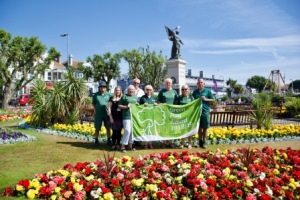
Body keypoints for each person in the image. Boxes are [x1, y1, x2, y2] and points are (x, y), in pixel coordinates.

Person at [192, 78, 215, 149]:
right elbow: (192, 101)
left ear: (204, 84)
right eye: (199, 82)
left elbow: (213, 99)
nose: (200, 83)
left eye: (201, 82)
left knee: (205, 128)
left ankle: (204, 142)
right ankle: (200, 141)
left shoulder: (208, 91)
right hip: (197, 112)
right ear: (197, 84)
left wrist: (206, 99)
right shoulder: (195, 92)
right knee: (199, 127)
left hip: (205, 111)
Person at [157, 78, 178, 148]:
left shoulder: (174, 92)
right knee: (164, 127)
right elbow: (158, 101)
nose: (168, 84)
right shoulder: (162, 91)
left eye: (169, 83)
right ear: (165, 84)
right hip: (164, 112)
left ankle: (171, 142)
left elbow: (177, 102)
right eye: (167, 83)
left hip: (172, 112)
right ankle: (164, 142)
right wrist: (162, 105)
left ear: (171, 84)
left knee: (171, 127)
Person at [118, 85, 139, 152]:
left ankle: (130, 146)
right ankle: (123, 146)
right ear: (127, 90)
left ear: (134, 90)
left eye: (132, 89)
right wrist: (126, 107)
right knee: (127, 131)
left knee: (132, 131)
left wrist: (137, 105)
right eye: (130, 89)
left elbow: (137, 105)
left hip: (133, 117)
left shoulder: (135, 97)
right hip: (126, 116)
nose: (131, 91)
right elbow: (119, 106)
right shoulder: (124, 96)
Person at [92, 81, 111, 147]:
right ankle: (96, 140)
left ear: (106, 88)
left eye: (104, 87)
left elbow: (113, 101)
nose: (102, 88)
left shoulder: (109, 94)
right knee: (97, 128)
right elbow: (94, 103)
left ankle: (109, 140)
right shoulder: (96, 95)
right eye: (101, 87)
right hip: (98, 114)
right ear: (99, 88)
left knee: (108, 128)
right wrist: (96, 109)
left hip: (106, 114)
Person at [175, 84, 194, 149]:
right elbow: (176, 106)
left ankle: (189, 143)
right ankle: (182, 143)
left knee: (189, 130)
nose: (184, 90)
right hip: (181, 117)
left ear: (188, 90)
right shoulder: (179, 97)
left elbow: (194, 106)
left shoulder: (191, 97)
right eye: (183, 89)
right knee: (182, 130)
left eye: (185, 89)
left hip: (189, 117)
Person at [139, 85, 157, 149]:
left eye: (150, 89)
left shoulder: (154, 98)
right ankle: (145, 144)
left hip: (152, 116)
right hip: (145, 116)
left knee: (151, 130)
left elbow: (157, 106)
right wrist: (143, 105)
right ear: (145, 90)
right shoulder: (142, 98)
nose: (148, 91)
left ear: (152, 90)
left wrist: (156, 105)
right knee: (145, 129)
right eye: (147, 89)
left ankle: (150, 143)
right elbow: (138, 106)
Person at [108, 86, 123, 151]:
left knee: (119, 131)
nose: (118, 91)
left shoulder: (122, 98)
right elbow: (109, 108)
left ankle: (118, 144)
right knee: (114, 131)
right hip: (113, 117)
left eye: (119, 90)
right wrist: (110, 117)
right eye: (116, 90)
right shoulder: (111, 98)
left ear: (120, 91)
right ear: (115, 91)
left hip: (120, 117)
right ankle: (114, 144)